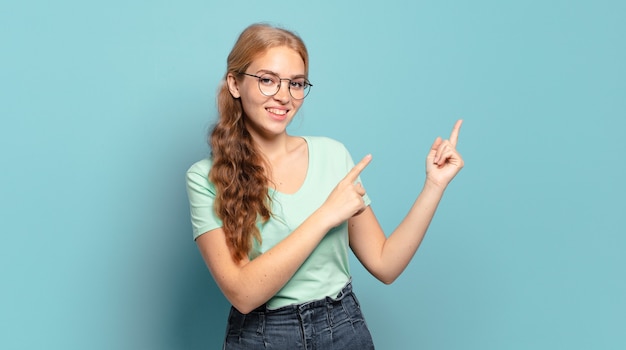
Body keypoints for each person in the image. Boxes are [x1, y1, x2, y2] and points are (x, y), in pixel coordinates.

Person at [186, 23, 464, 350]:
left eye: (296, 84)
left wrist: (434, 185)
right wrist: (326, 215)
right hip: (263, 336)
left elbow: (385, 264)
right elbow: (243, 294)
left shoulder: (332, 155)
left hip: (343, 327)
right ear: (235, 83)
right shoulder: (204, 178)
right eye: (267, 80)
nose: (283, 96)